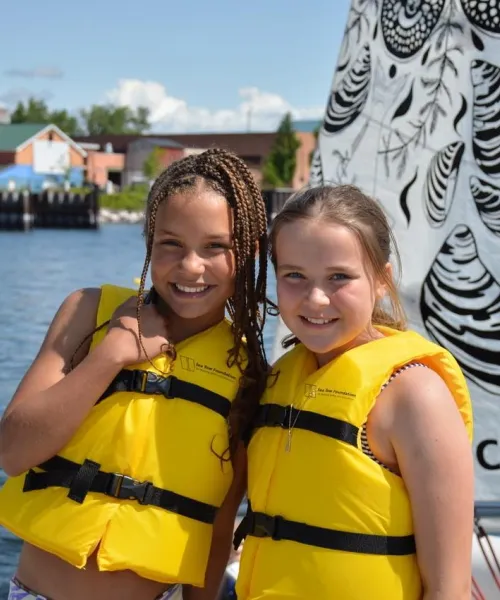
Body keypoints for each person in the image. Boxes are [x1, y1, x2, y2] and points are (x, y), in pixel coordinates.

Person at [0, 148, 270, 600]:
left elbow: (220, 523)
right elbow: (12, 451)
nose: (190, 267)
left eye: (215, 247)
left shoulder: (249, 372)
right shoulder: (88, 312)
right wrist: (110, 355)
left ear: (247, 252)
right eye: (171, 244)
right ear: (149, 241)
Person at [234, 184, 474, 600]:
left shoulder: (415, 395)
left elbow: (448, 588)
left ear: (382, 280)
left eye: (339, 277)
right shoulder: (279, 378)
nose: (316, 298)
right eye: (294, 276)